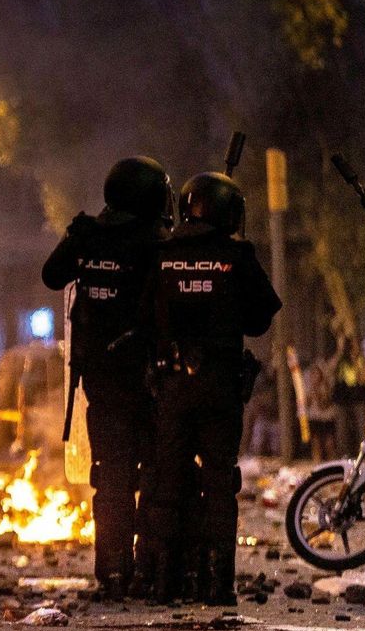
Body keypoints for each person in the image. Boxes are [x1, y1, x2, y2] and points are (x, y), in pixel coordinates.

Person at [139, 172, 280, 605]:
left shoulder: (162, 253)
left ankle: (165, 581)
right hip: (220, 384)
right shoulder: (237, 255)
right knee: (220, 483)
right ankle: (219, 584)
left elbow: (143, 316)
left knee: (168, 481)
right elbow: (260, 318)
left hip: (173, 384)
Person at [40, 156, 170, 601]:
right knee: (154, 474)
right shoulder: (155, 241)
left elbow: (52, 274)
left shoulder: (88, 234)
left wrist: (83, 243)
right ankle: (152, 572)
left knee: (111, 477)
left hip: (101, 379)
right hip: (148, 378)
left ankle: (112, 573)